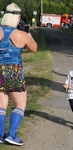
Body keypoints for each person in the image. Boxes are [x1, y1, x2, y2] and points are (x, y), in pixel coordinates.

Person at [0, 3, 37, 146]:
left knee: (1, 104)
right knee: (20, 104)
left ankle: (1, 135)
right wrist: (28, 35)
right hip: (14, 71)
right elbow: (34, 48)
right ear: (18, 17)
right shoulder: (22, 35)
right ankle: (12, 135)